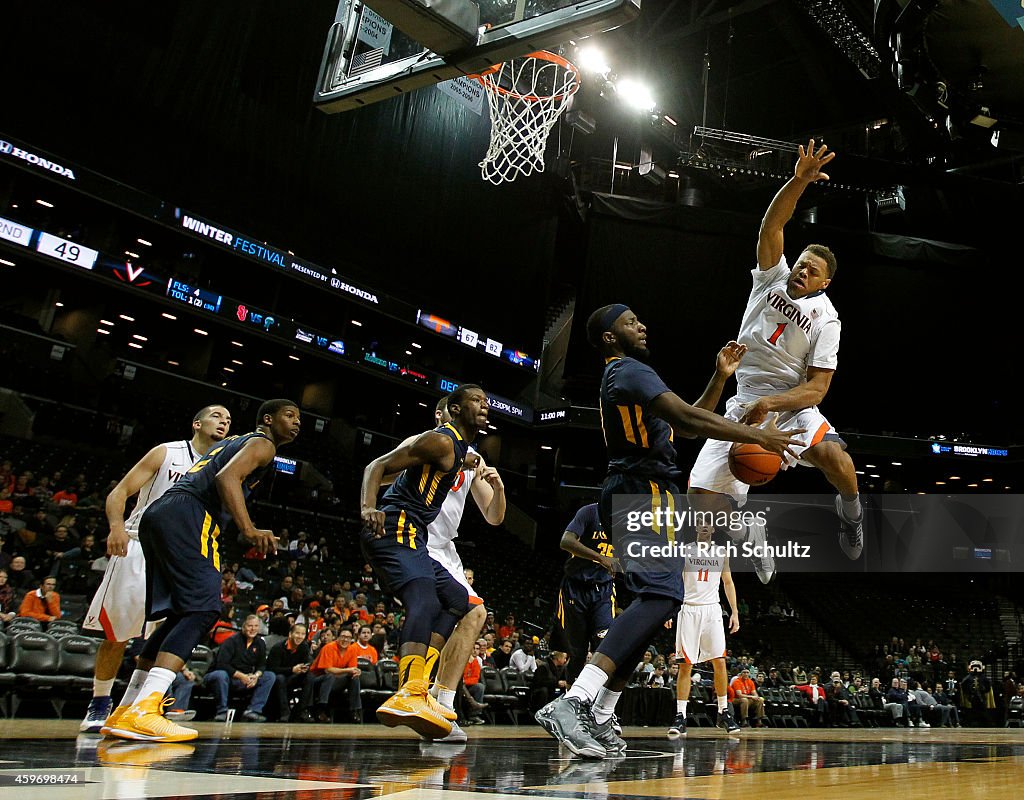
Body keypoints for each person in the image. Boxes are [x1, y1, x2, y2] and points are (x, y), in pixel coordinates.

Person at [536, 305, 801, 760]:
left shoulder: (632, 377)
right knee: (660, 596)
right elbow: (690, 421)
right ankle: (574, 701)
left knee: (658, 602)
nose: (642, 324)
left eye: (641, 318)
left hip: (649, 491)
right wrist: (759, 438)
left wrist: (719, 378)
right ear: (607, 337)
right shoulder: (628, 371)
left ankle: (600, 713)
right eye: (630, 321)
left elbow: (686, 419)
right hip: (641, 491)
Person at [688, 140, 865, 584]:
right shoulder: (772, 278)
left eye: (812, 270)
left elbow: (817, 389)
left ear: (826, 282)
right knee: (699, 499)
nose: (802, 271)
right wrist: (799, 180)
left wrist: (776, 405)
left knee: (837, 461)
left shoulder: (828, 320)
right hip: (745, 398)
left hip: (791, 407)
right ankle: (749, 524)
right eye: (801, 263)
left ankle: (852, 517)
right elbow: (772, 224)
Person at [105, 399, 298, 742]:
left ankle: (127, 709)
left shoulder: (233, 441)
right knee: (205, 608)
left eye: (299, 418)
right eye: (289, 415)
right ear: (267, 420)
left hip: (160, 513)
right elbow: (227, 479)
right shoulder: (262, 444)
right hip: (191, 515)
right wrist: (249, 528)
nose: (297, 423)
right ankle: (146, 708)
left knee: (181, 613)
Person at [79, 405, 231, 734]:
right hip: (137, 544)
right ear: (197, 422)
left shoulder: (221, 467)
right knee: (117, 634)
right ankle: (100, 703)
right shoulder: (167, 453)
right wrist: (116, 526)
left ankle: (138, 707)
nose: (224, 422)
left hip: (183, 555)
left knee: (165, 636)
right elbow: (119, 491)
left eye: (229, 420)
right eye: (217, 416)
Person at [360, 384, 490, 739]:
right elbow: (377, 466)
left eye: (486, 400)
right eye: (477, 400)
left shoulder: (459, 449)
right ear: (456, 408)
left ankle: (425, 693)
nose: (485, 405)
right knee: (425, 600)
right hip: (395, 525)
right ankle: (410, 691)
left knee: (460, 602)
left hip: (413, 534)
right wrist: (369, 508)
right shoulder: (440, 440)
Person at [667, 523, 740, 736]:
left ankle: (724, 711)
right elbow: (674, 581)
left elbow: (728, 582)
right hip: (688, 609)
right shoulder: (684, 550)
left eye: (709, 525)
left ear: (714, 530)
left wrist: (734, 611)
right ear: (696, 528)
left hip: (712, 611)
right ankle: (680, 716)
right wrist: (670, 610)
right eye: (701, 524)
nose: (705, 527)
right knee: (685, 666)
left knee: (720, 661)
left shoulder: (721, 552)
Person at [550, 503, 617, 686]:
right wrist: (601, 558)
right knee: (578, 651)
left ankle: (600, 702)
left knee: (605, 646)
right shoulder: (589, 512)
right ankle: (571, 697)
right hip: (575, 587)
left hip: (603, 589)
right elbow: (566, 541)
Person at [203, 614, 276, 722]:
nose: (253, 629)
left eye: (256, 626)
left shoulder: (260, 643)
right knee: (221, 674)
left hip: (245, 679)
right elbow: (222, 664)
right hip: (222, 677)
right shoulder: (231, 641)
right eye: (250, 626)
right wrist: (241, 676)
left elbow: (262, 665)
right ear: (243, 626)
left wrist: (256, 676)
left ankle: (253, 711)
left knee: (270, 676)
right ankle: (222, 711)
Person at [307, 628, 362, 723]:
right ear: (337, 637)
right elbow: (327, 670)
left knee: (354, 678)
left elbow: (352, 670)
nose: (345, 640)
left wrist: (356, 671)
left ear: (352, 639)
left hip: (336, 680)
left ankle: (354, 711)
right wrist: (348, 670)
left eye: (348, 638)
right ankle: (321, 709)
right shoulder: (328, 647)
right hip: (316, 680)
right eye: (343, 637)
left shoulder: (352, 649)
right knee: (330, 676)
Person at [266, 622, 311, 721]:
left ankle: (300, 711)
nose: (300, 636)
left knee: (310, 677)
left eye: (303, 634)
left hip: (295, 676)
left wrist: (305, 668)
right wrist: (292, 669)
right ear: (290, 634)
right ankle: (285, 712)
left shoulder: (304, 647)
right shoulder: (278, 648)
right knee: (280, 678)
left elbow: (307, 661)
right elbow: (272, 668)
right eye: (297, 633)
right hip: (279, 678)